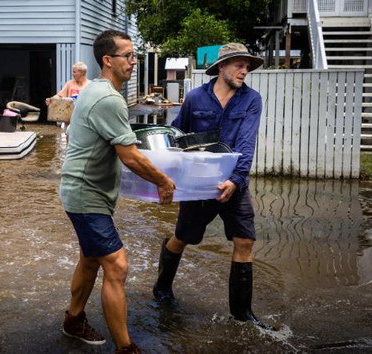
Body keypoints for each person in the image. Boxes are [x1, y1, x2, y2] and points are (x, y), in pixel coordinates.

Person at [59, 30, 175, 353]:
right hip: (86, 196)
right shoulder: (109, 98)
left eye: (135, 56)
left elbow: (77, 140)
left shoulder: (95, 91)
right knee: (117, 265)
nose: (134, 62)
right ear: (108, 60)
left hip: (79, 190)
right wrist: (163, 181)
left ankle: (73, 320)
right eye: (128, 56)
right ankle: (126, 348)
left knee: (91, 260)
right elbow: (130, 155)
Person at [152, 43, 272, 330]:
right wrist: (168, 172)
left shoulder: (251, 100)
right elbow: (178, 136)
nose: (245, 71)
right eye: (239, 65)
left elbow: (246, 142)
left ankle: (242, 313)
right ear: (222, 67)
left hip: (234, 182)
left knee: (244, 240)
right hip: (199, 184)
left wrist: (236, 179)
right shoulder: (195, 98)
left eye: (247, 66)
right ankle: (162, 288)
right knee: (184, 236)